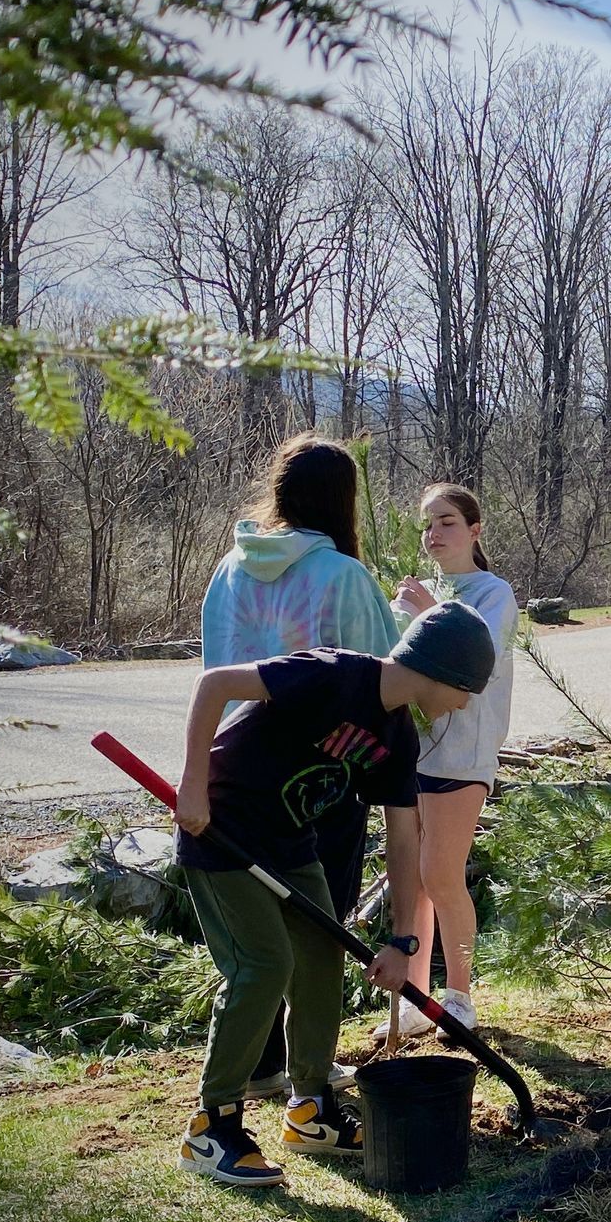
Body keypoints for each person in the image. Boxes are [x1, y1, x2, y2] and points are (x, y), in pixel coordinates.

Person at [171, 602, 497, 1187]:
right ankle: (210, 1126)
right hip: (220, 831)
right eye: (467, 688)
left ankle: (310, 1109)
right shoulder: (333, 673)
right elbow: (215, 683)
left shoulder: (397, 736)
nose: (467, 702)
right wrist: (191, 784)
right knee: (263, 965)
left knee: (322, 959)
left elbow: (403, 839)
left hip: (291, 845)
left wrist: (403, 940)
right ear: (439, 670)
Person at [200, 434, 399, 1100]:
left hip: (234, 767)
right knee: (319, 925)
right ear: (344, 502)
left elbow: (216, 668)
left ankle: (259, 1063)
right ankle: (298, 1072)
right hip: (320, 773)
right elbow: (381, 678)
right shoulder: (341, 576)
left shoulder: (232, 566)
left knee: (256, 935)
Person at [368, 483, 517, 1041]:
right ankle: (417, 997)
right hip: (413, 749)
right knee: (413, 877)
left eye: (447, 521)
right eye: (428, 524)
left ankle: (459, 998)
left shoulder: (493, 592)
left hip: (464, 752)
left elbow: (478, 657)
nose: (435, 533)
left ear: (475, 531)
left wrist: (433, 613)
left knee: (440, 873)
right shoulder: (419, 589)